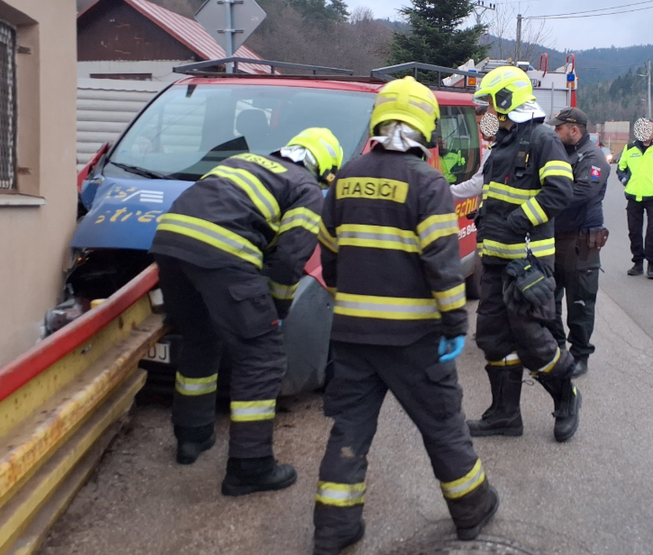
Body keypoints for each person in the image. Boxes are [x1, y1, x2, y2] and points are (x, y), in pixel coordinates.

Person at [313, 77, 499, 553]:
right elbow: (441, 263)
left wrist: (352, 302)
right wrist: (455, 324)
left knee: (350, 429)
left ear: (379, 119)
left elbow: (330, 257)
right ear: (425, 127)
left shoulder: (346, 176)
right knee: (442, 426)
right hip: (415, 339)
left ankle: (334, 529)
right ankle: (471, 510)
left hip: (352, 338)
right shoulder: (428, 182)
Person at [149, 127, 342, 495]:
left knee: (200, 339)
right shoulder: (306, 188)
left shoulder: (241, 161)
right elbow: (289, 260)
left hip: (170, 245)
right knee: (262, 356)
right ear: (324, 167)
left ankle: (192, 437)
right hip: (224, 255)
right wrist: (277, 309)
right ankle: (250, 466)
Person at [467, 65, 582, 444]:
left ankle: (567, 397)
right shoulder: (503, 142)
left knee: (532, 340)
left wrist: (517, 221)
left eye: (491, 103)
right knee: (493, 338)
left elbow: (559, 192)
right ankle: (504, 415)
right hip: (497, 262)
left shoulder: (543, 139)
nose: (489, 112)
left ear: (506, 99)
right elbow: (497, 192)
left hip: (527, 262)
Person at [544, 107, 610, 378]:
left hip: (580, 241)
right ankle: (558, 349)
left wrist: (547, 199)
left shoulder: (594, 158)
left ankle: (580, 354)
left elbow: (584, 190)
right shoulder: (564, 153)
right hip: (555, 238)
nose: (555, 132)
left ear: (574, 129)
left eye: (559, 128)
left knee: (580, 302)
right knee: (550, 297)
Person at [617, 118, 653, 279]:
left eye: (651, 130)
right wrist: (624, 180)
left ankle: (652, 264)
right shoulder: (629, 148)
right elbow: (620, 168)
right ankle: (637, 263)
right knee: (634, 231)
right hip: (633, 197)